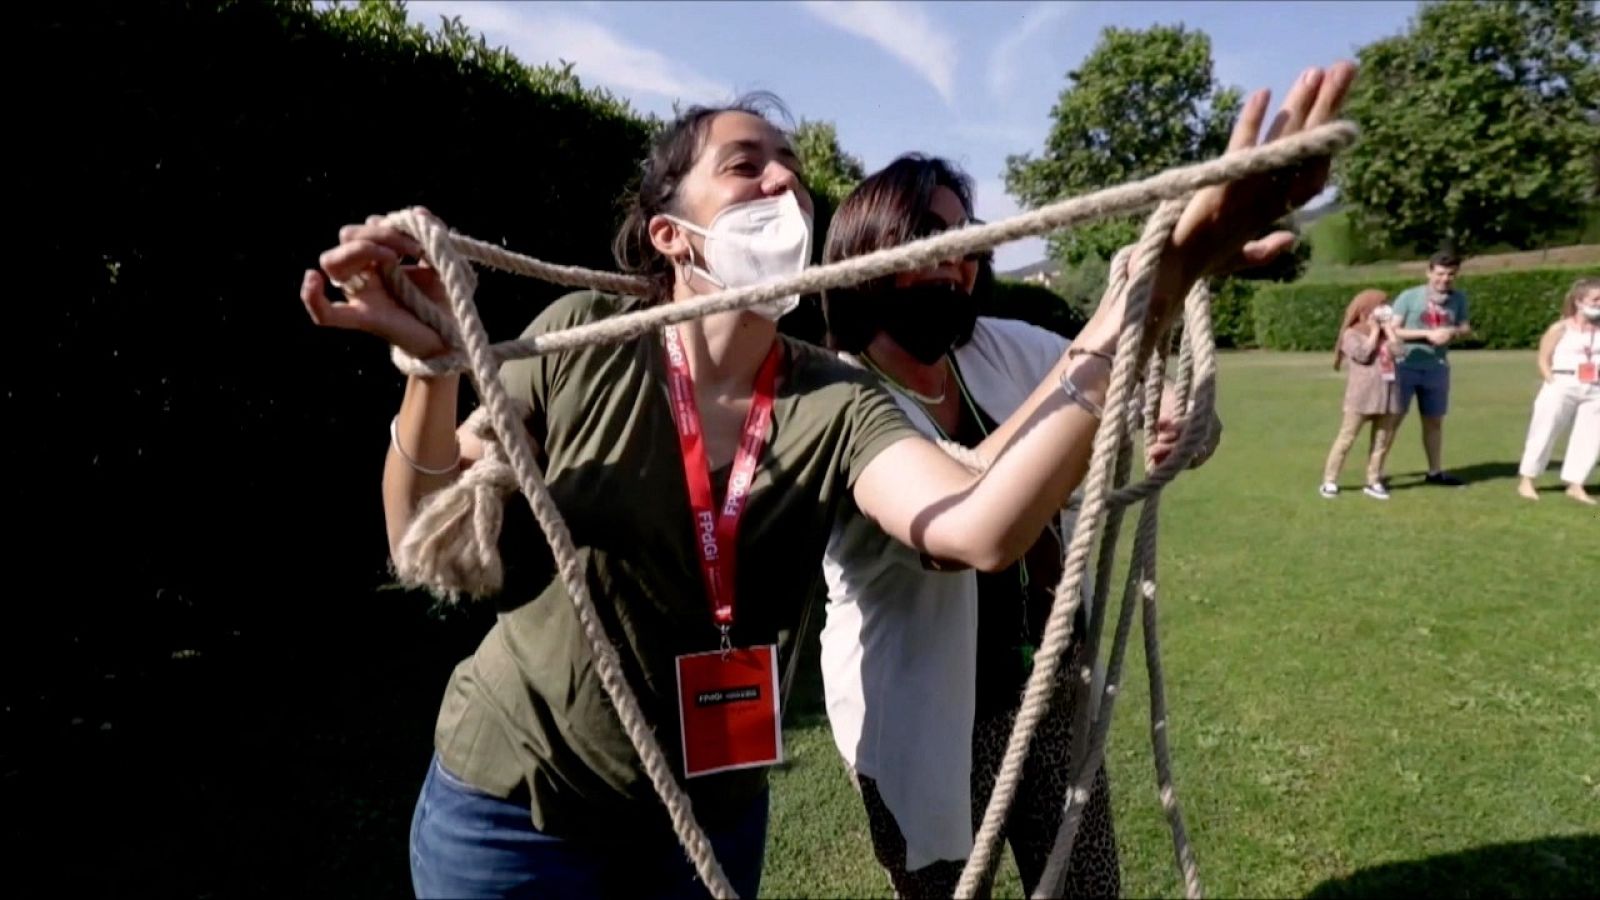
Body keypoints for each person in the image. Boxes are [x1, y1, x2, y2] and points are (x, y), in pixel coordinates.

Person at [296, 62, 1354, 900]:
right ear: (672, 234)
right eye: (746, 165)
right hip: (509, 807)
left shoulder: (831, 399)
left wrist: (1154, 291)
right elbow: (427, 540)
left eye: (791, 168)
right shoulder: (582, 339)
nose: (782, 182)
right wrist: (434, 369)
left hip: (706, 816)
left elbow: (978, 521)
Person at [815, 155, 1221, 898]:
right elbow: (966, 518)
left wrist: (1184, 416)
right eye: (928, 234)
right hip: (925, 721)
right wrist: (1118, 313)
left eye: (967, 239)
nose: (959, 258)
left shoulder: (1003, 345)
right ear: (869, 248)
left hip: (1053, 689)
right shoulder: (836, 400)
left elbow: (1123, 382)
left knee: (1087, 889)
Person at [1389, 250, 1472, 486]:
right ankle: (1375, 473)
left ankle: (1435, 472)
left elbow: (1466, 327)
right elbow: (1394, 329)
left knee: (1434, 421)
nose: (1445, 279)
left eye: (1450, 274)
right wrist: (1427, 333)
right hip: (1405, 366)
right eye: (1440, 273)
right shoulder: (1409, 297)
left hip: (1437, 368)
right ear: (1429, 272)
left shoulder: (1459, 298)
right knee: (1393, 420)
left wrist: (1452, 332)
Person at [1516, 277, 1600, 505]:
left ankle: (1576, 484)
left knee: (1590, 437)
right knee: (1544, 431)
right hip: (1562, 383)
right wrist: (1551, 381)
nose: (1599, 303)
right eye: (1596, 299)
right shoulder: (1560, 328)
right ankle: (1527, 480)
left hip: (1595, 388)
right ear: (1580, 301)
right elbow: (1543, 358)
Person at [1319, 289, 1404, 499]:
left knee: (1381, 441)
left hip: (1388, 394)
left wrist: (1390, 332)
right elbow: (1363, 354)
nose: (1385, 309)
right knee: (1346, 438)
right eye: (1380, 305)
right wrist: (1374, 331)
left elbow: (1401, 353)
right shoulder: (1351, 333)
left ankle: (1374, 480)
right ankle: (1329, 481)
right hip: (1362, 396)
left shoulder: (1388, 331)